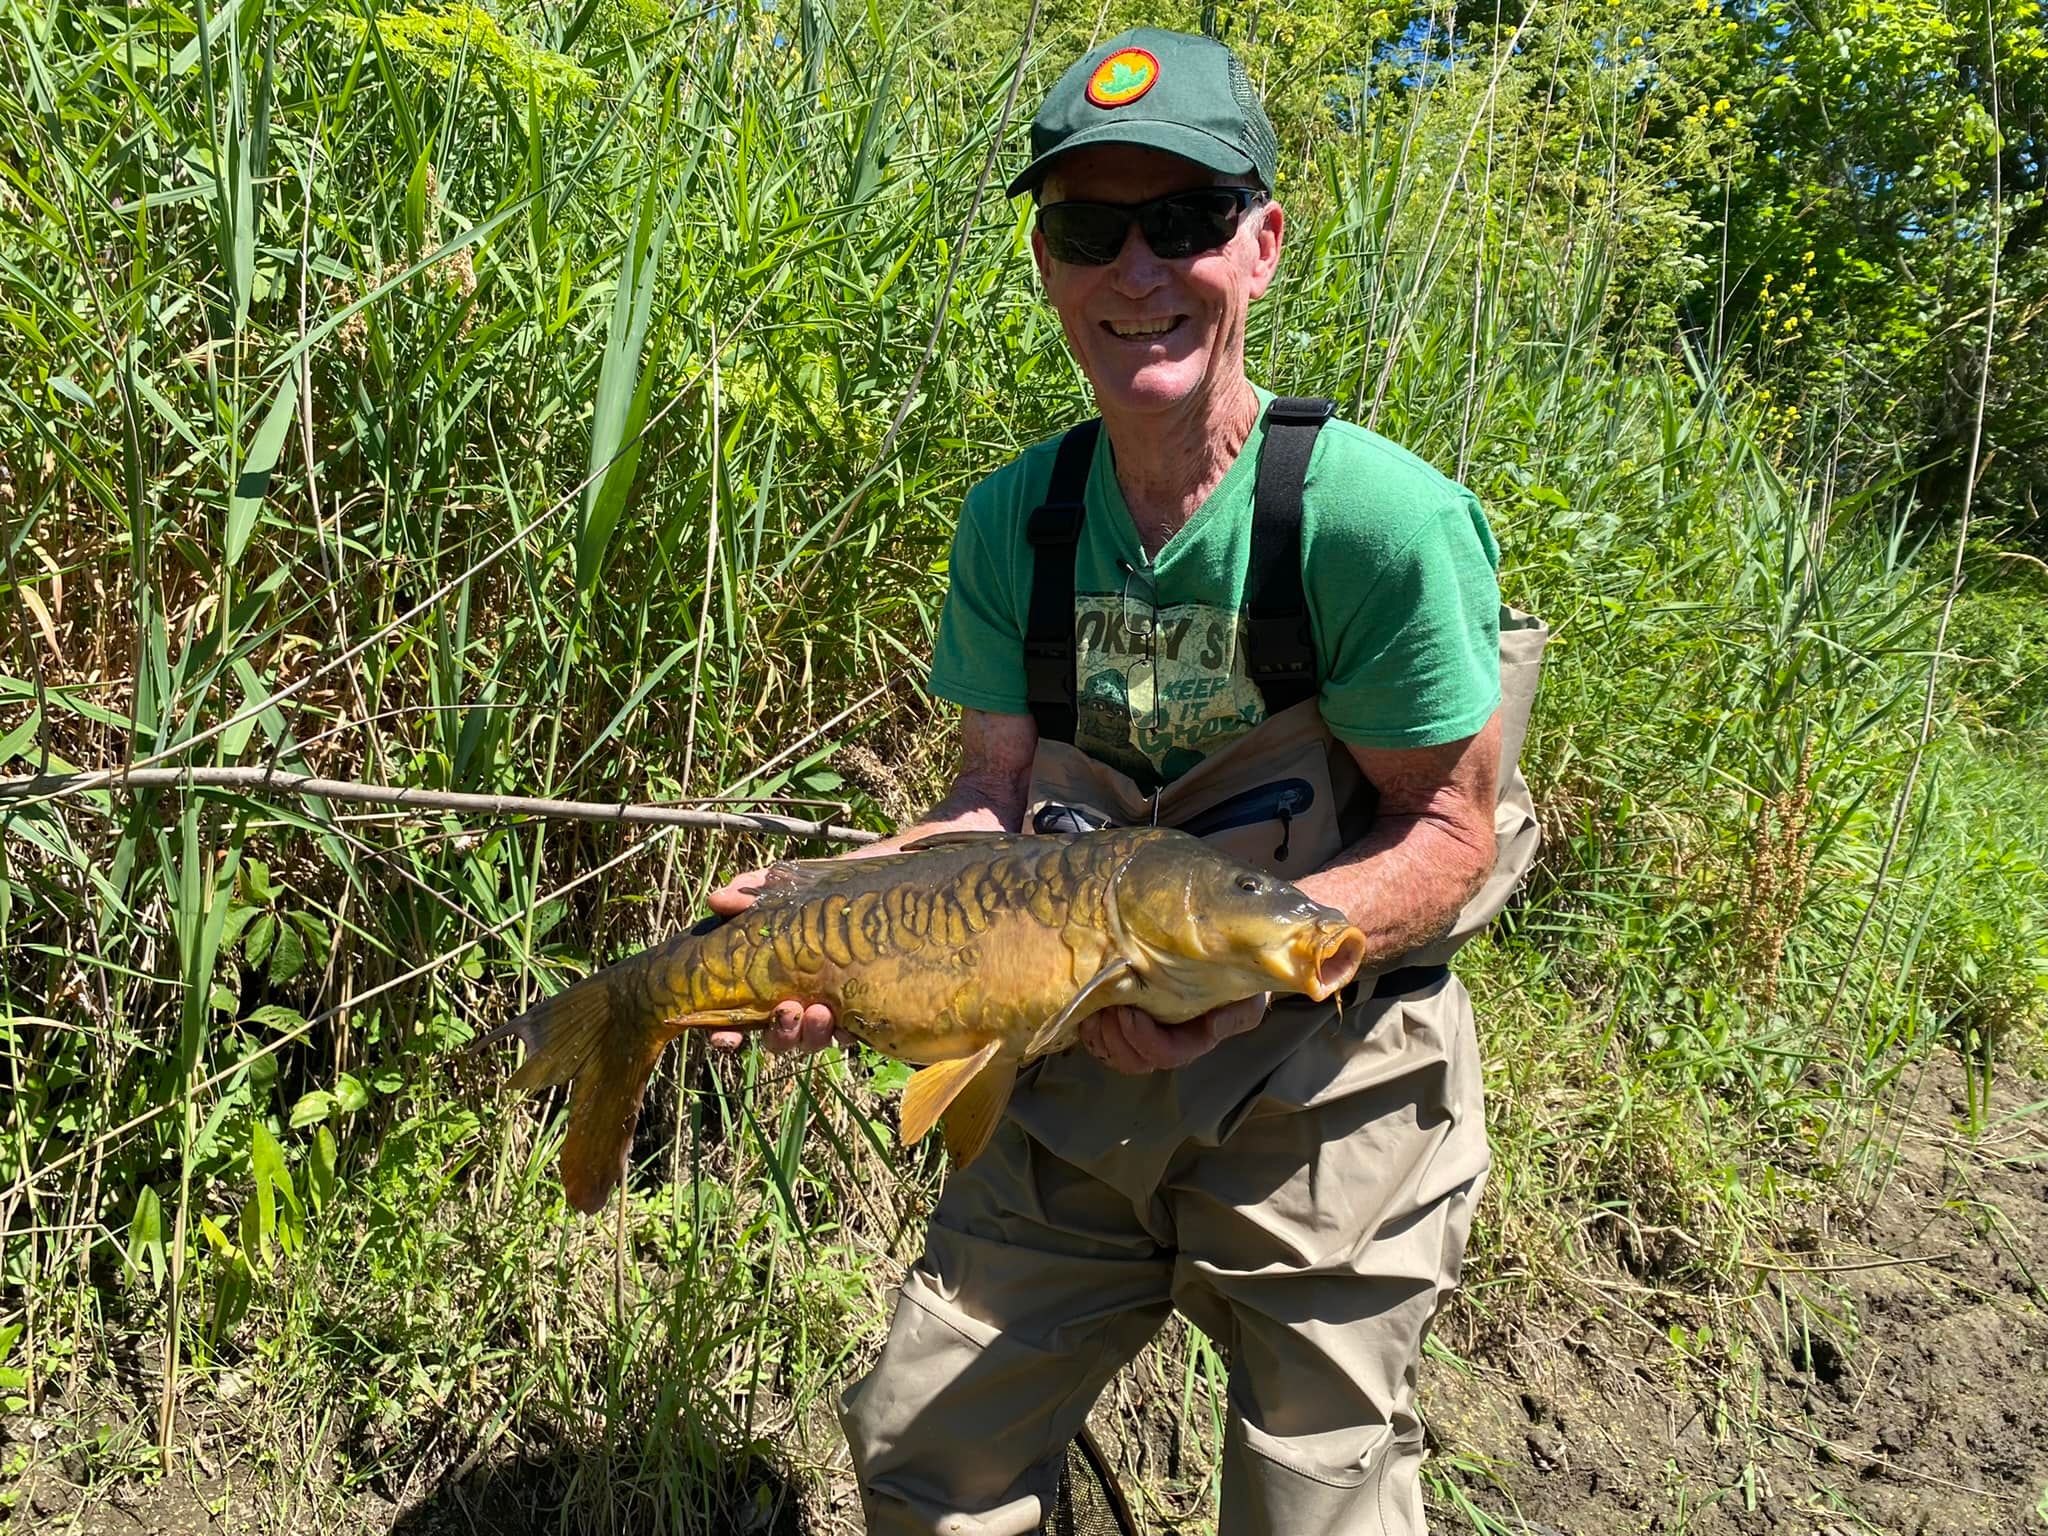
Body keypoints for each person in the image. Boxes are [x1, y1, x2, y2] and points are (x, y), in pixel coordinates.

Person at [707, 26, 1540, 1535]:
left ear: (1264, 244)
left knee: (1316, 1503)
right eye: (1091, 230)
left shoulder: (1376, 526)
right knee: (922, 1456)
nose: (1136, 270)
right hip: (1075, 1060)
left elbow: (1450, 832)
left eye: (1186, 221)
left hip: (1327, 1080)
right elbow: (990, 801)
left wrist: (1250, 978)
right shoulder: (1014, 522)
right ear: (1046, 261)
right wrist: (868, 914)